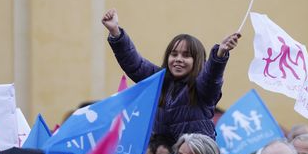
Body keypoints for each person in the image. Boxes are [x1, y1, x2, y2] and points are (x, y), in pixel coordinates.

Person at [102, 9, 241, 141]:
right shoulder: (160, 79)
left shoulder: (202, 87)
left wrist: (220, 54)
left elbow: (211, 77)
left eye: (186, 55)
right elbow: (135, 64)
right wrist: (115, 31)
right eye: (174, 54)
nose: (178, 59)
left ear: (197, 61)